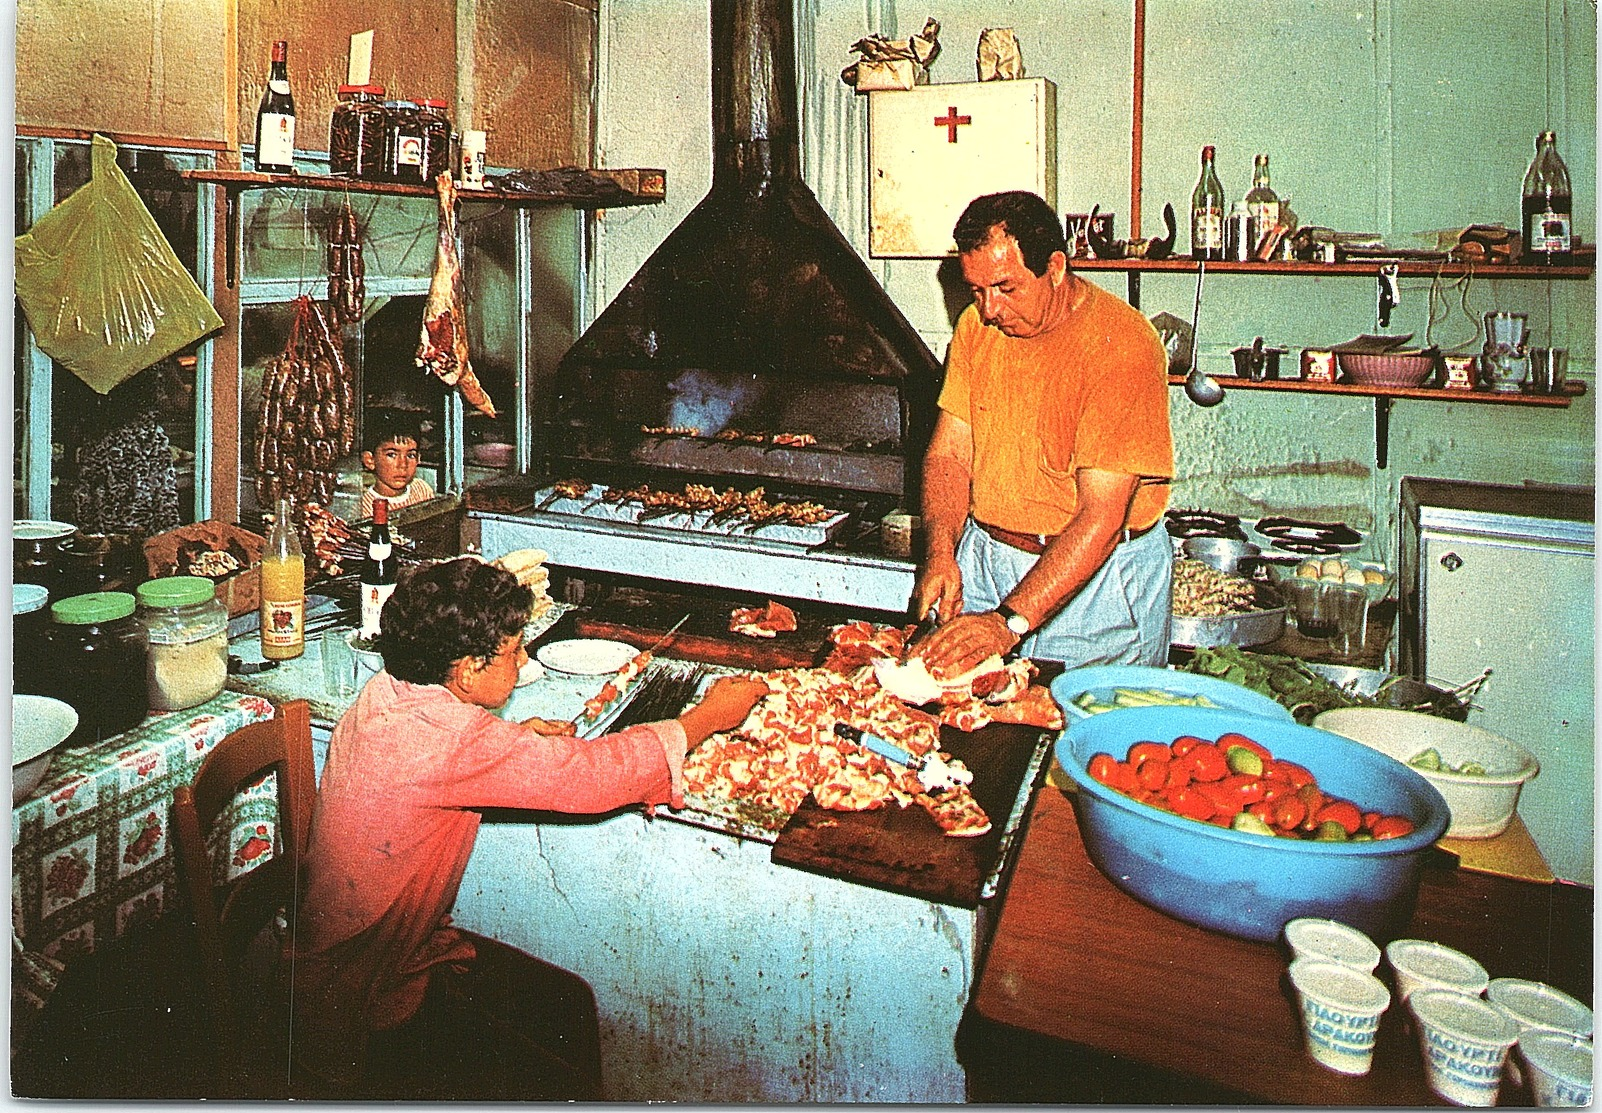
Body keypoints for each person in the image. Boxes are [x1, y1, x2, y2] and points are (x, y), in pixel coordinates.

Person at [289, 556, 767, 1096]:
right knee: (567, 1026)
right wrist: (706, 717)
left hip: (350, 962)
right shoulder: (451, 743)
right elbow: (593, 778)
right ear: (467, 670)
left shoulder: (389, 692)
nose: (523, 660)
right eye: (514, 651)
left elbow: (444, 751)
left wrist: (514, 737)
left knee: (564, 1002)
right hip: (367, 997)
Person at [910, 190, 1174, 675]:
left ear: (1055, 267)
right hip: (986, 560)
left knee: (1084, 736)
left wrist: (1008, 622)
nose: (988, 310)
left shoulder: (1121, 346)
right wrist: (941, 552)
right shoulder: (976, 328)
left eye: (1006, 289)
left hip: (1094, 584)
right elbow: (949, 455)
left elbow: (1102, 517)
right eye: (976, 290)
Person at [359, 410, 435, 518]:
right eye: (391, 455)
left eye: (411, 455)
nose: (403, 465)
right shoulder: (364, 506)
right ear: (370, 460)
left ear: (418, 459)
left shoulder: (422, 490)